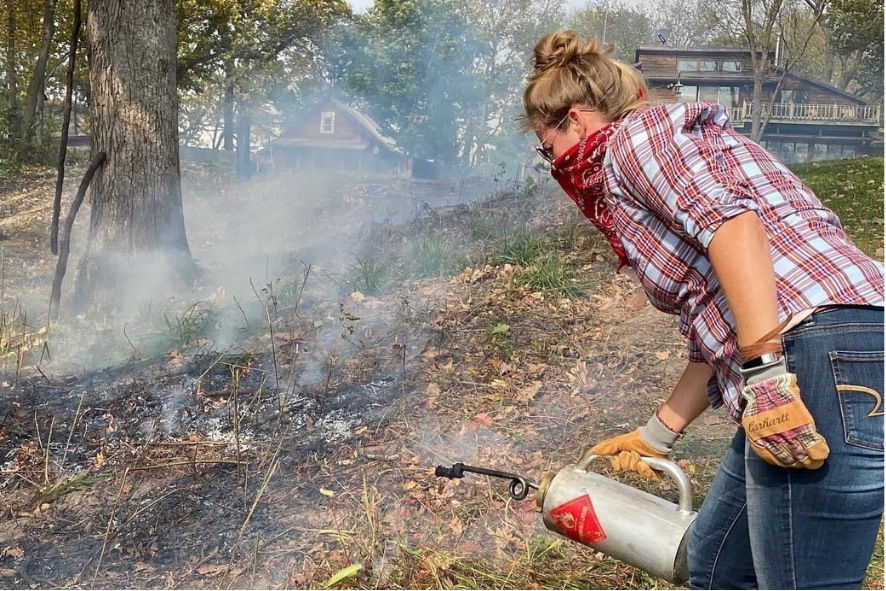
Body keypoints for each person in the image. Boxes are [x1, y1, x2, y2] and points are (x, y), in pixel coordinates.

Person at [521, 29, 884, 590]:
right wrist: (655, 437)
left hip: (808, 353)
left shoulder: (632, 142)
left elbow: (733, 226)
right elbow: (717, 318)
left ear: (577, 119)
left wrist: (764, 376)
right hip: (818, 342)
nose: (554, 166)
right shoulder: (676, 144)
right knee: (717, 570)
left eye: (549, 148)